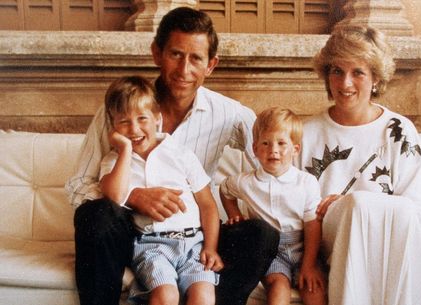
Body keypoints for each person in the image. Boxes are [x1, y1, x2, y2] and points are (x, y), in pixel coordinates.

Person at [66, 7, 279, 305]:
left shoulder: (230, 114)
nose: (184, 70)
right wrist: (134, 195)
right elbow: (78, 187)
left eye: (196, 59)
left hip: (193, 236)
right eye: (176, 55)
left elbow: (274, 166)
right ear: (156, 53)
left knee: (260, 234)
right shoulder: (120, 113)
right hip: (135, 234)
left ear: (211, 65)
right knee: (94, 214)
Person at [297, 25, 421, 305]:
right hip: (325, 249)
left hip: (385, 250)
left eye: (357, 72)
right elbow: (293, 207)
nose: (345, 83)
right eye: (337, 71)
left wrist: (348, 204)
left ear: (375, 78)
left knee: (357, 205)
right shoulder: (306, 133)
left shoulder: (398, 131)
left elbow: (415, 214)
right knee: (354, 207)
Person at [99, 75, 223, 305]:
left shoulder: (181, 154)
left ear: (158, 118)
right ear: (113, 125)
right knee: (166, 296)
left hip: (194, 244)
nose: (134, 129)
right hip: (153, 246)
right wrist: (125, 149)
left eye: (142, 118)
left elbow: (207, 204)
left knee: (204, 297)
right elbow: (114, 196)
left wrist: (210, 247)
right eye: (124, 122)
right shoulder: (114, 161)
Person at [220, 107, 326, 305]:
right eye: (266, 143)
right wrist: (234, 215)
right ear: (255, 149)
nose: (273, 150)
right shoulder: (246, 182)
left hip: (302, 246)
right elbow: (225, 191)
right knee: (278, 285)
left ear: (295, 149)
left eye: (281, 143)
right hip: (272, 251)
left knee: (313, 286)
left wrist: (309, 264)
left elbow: (312, 225)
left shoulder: (306, 182)